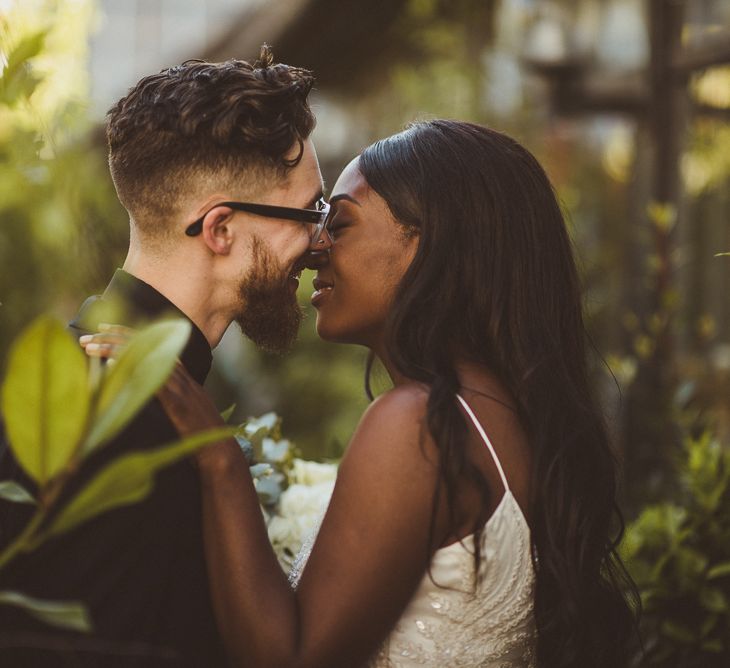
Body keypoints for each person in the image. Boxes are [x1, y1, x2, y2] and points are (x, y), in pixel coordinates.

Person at [84, 120, 639, 667]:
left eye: (339, 224)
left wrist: (218, 456)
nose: (314, 246)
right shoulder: (497, 413)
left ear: (426, 244)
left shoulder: (422, 423)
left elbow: (291, 658)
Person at [0, 47, 328, 666]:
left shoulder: (146, 392)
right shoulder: (118, 417)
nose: (320, 243)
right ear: (221, 229)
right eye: (310, 213)